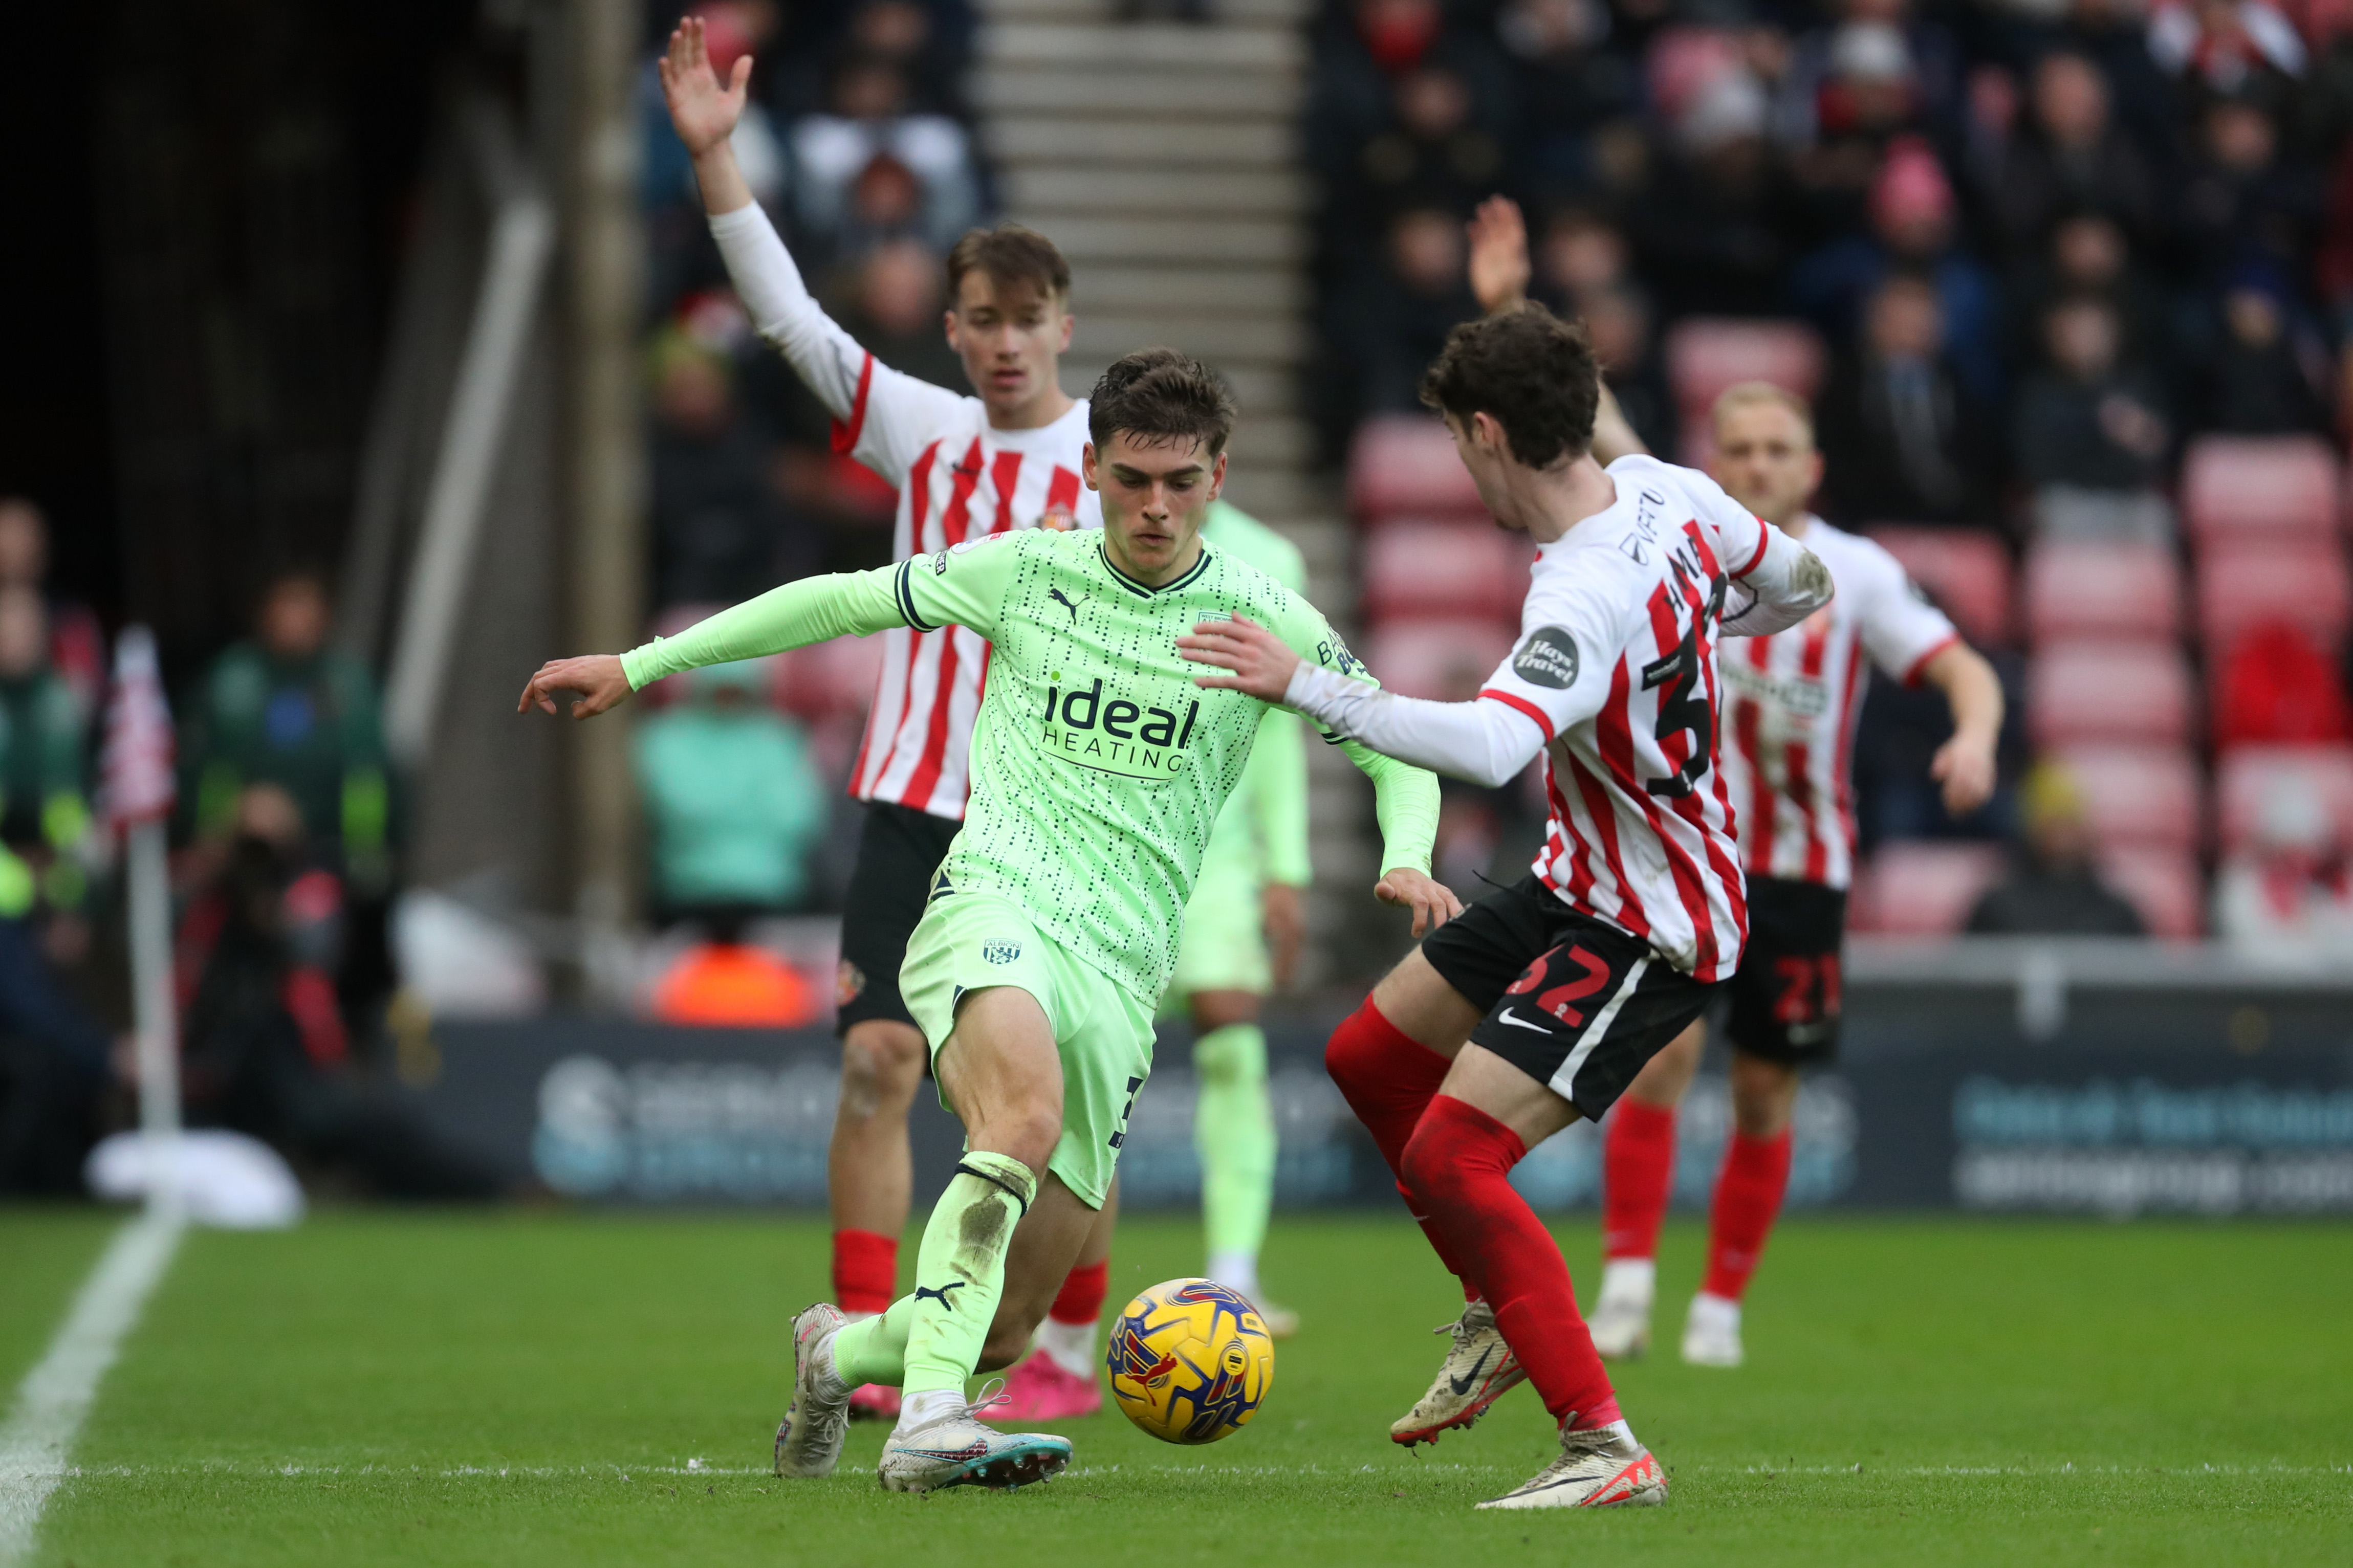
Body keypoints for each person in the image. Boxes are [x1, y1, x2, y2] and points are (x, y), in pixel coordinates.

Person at [518, 348, 1450, 1492]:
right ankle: (928, 1425)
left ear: (1220, 472)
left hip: (1121, 969)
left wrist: (1406, 855)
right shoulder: (1024, 570)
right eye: (1130, 479)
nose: (1153, 506)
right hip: (995, 905)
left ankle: (840, 1351)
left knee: (1008, 1324)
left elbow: (1395, 743)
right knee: (1017, 1112)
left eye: (1180, 481)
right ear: (1093, 467)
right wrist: (642, 660)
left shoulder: (1263, 617)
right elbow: (839, 598)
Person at [1182, 308, 1832, 1509]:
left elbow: (1486, 743)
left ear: (1484, 432)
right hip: (1574, 877)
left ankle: (1601, 1444)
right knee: (1369, 1055)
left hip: (1652, 920)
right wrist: (1697, 621)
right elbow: (1801, 579)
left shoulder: (1582, 589)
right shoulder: (1665, 490)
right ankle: (1495, 1301)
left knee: (1453, 1147)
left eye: (1454, 441)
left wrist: (1300, 683)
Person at [660, 15, 1113, 1424]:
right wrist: (720, 163)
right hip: (916, 796)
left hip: (1055, 813)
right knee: (877, 1063)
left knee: (1040, 1109)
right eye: (977, 321)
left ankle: (1048, 1344)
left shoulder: (1115, 470)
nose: (998, 346)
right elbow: (789, 322)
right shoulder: (919, 429)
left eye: (1021, 322)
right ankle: (858, 1339)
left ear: (1061, 328)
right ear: (955, 328)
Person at [1578, 383, 2003, 1370]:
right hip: (1686, 859)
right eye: (1739, 448)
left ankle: (1719, 1304)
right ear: (1713, 464)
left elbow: (1962, 669)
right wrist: (1513, 312)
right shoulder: (1677, 532)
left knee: (1764, 1092)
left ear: (1810, 467)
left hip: (1799, 878)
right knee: (1658, 1062)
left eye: (1776, 448)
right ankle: (1627, 1291)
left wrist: (1974, 737)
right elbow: (1606, 429)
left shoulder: (1852, 573)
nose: (1757, 464)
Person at [180, 569, 394, 896]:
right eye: (286, 605)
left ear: (325, 616)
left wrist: (362, 849)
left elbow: (366, 776)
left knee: (314, 929)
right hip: (235, 847)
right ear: (264, 613)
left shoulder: (347, 685)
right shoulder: (234, 678)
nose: (295, 619)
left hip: (322, 851)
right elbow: (211, 765)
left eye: (304, 607)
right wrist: (218, 827)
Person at [1965, 761, 2145, 935]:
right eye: (2054, 820)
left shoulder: (2117, 914)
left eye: (2072, 820)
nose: (2064, 832)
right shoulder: (1997, 909)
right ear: (2031, 828)